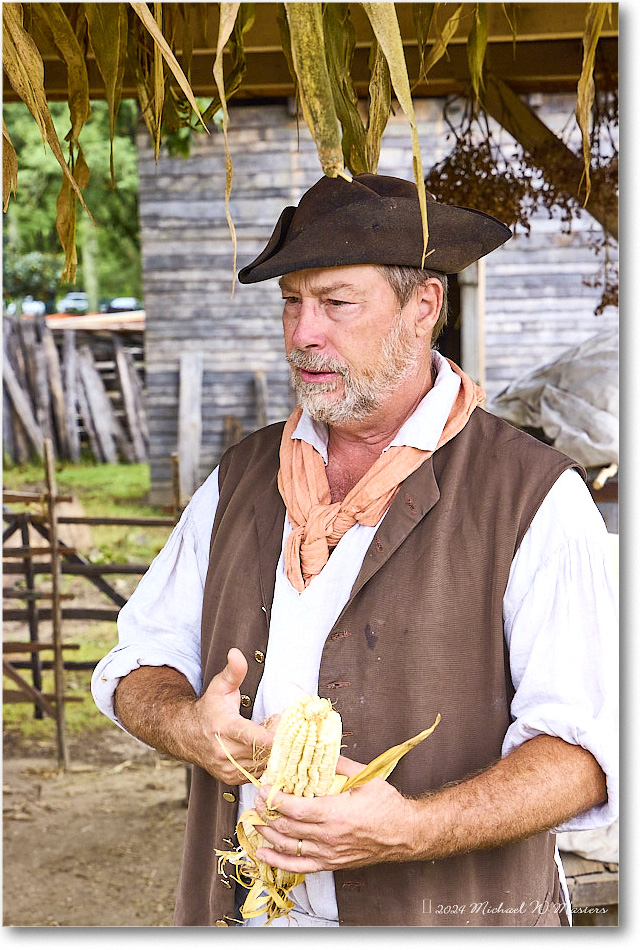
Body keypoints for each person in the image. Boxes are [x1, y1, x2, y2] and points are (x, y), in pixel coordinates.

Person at [92, 173, 618, 928]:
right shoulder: (239, 479)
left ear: (424, 308)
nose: (305, 332)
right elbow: (137, 662)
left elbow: (583, 756)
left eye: (337, 303)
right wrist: (186, 724)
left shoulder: (532, 498)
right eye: (291, 302)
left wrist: (412, 828)